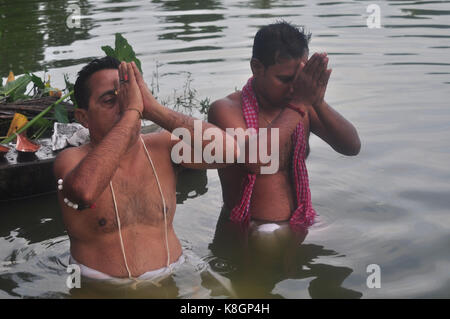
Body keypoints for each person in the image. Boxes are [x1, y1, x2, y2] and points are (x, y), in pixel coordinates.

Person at [54, 56, 238, 285]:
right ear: (83, 118)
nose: (122, 107)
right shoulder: (71, 160)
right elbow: (84, 191)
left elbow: (229, 152)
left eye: (127, 97)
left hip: (172, 278)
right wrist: (132, 112)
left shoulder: (162, 147)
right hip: (99, 288)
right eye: (110, 100)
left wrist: (153, 109)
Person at [207, 21, 361, 281]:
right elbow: (255, 161)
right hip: (252, 230)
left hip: (304, 218)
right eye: (285, 79)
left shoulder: (300, 106)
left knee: (354, 261)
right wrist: (301, 101)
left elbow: (351, 147)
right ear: (257, 68)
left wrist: (318, 101)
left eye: (299, 81)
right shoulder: (225, 110)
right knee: (268, 251)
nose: (293, 88)